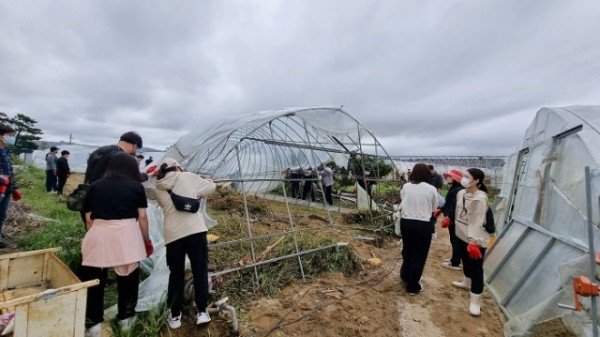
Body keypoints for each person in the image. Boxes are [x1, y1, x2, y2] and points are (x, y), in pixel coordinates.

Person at [79, 153, 152, 336]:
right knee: (128, 279)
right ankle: (126, 319)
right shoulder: (136, 187)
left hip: (99, 232)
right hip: (126, 235)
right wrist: (146, 240)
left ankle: (93, 324)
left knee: (94, 280)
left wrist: (96, 234)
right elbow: (142, 217)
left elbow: (88, 219)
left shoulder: (95, 186)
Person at [146, 158, 216, 329]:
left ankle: (175, 316)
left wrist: (151, 177)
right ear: (177, 167)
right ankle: (201, 312)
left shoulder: (157, 185)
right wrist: (203, 187)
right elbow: (211, 187)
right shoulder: (187, 176)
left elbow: (146, 192)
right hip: (195, 231)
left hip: (173, 235)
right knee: (200, 270)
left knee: (176, 274)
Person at [452, 168, 490, 317]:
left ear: (476, 181)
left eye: (467, 177)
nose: (463, 179)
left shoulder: (480, 199)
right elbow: (458, 213)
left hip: (476, 239)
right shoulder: (461, 193)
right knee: (465, 261)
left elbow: (478, 221)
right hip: (461, 234)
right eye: (463, 176)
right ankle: (466, 283)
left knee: (476, 268)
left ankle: (475, 300)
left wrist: (473, 242)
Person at [399, 163, 438, 295]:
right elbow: (434, 208)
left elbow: (403, 200)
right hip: (422, 224)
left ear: (413, 173)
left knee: (407, 250)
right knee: (419, 254)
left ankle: (405, 275)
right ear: (427, 174)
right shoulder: (431, 189)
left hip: (406, 222)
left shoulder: (406, 186)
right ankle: (412, 286)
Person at [0, 124, 23, 249]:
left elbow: (9, 172)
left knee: (2, 215)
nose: (12, 138)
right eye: (10, 135)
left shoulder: (5, 151)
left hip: (6, 190)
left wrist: (14, 188)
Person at [439, 169, 464, 270]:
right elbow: (448, 204)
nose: (447, 178)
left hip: (455, 219)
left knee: (455, 240)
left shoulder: (456, 190)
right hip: (457, 218)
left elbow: (454, 206)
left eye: (449, 176)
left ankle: (455, 262)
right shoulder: (455, 188)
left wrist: (449, 217)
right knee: (456, 240)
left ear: (454, 178)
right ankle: (458, 259)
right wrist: (440, 210)